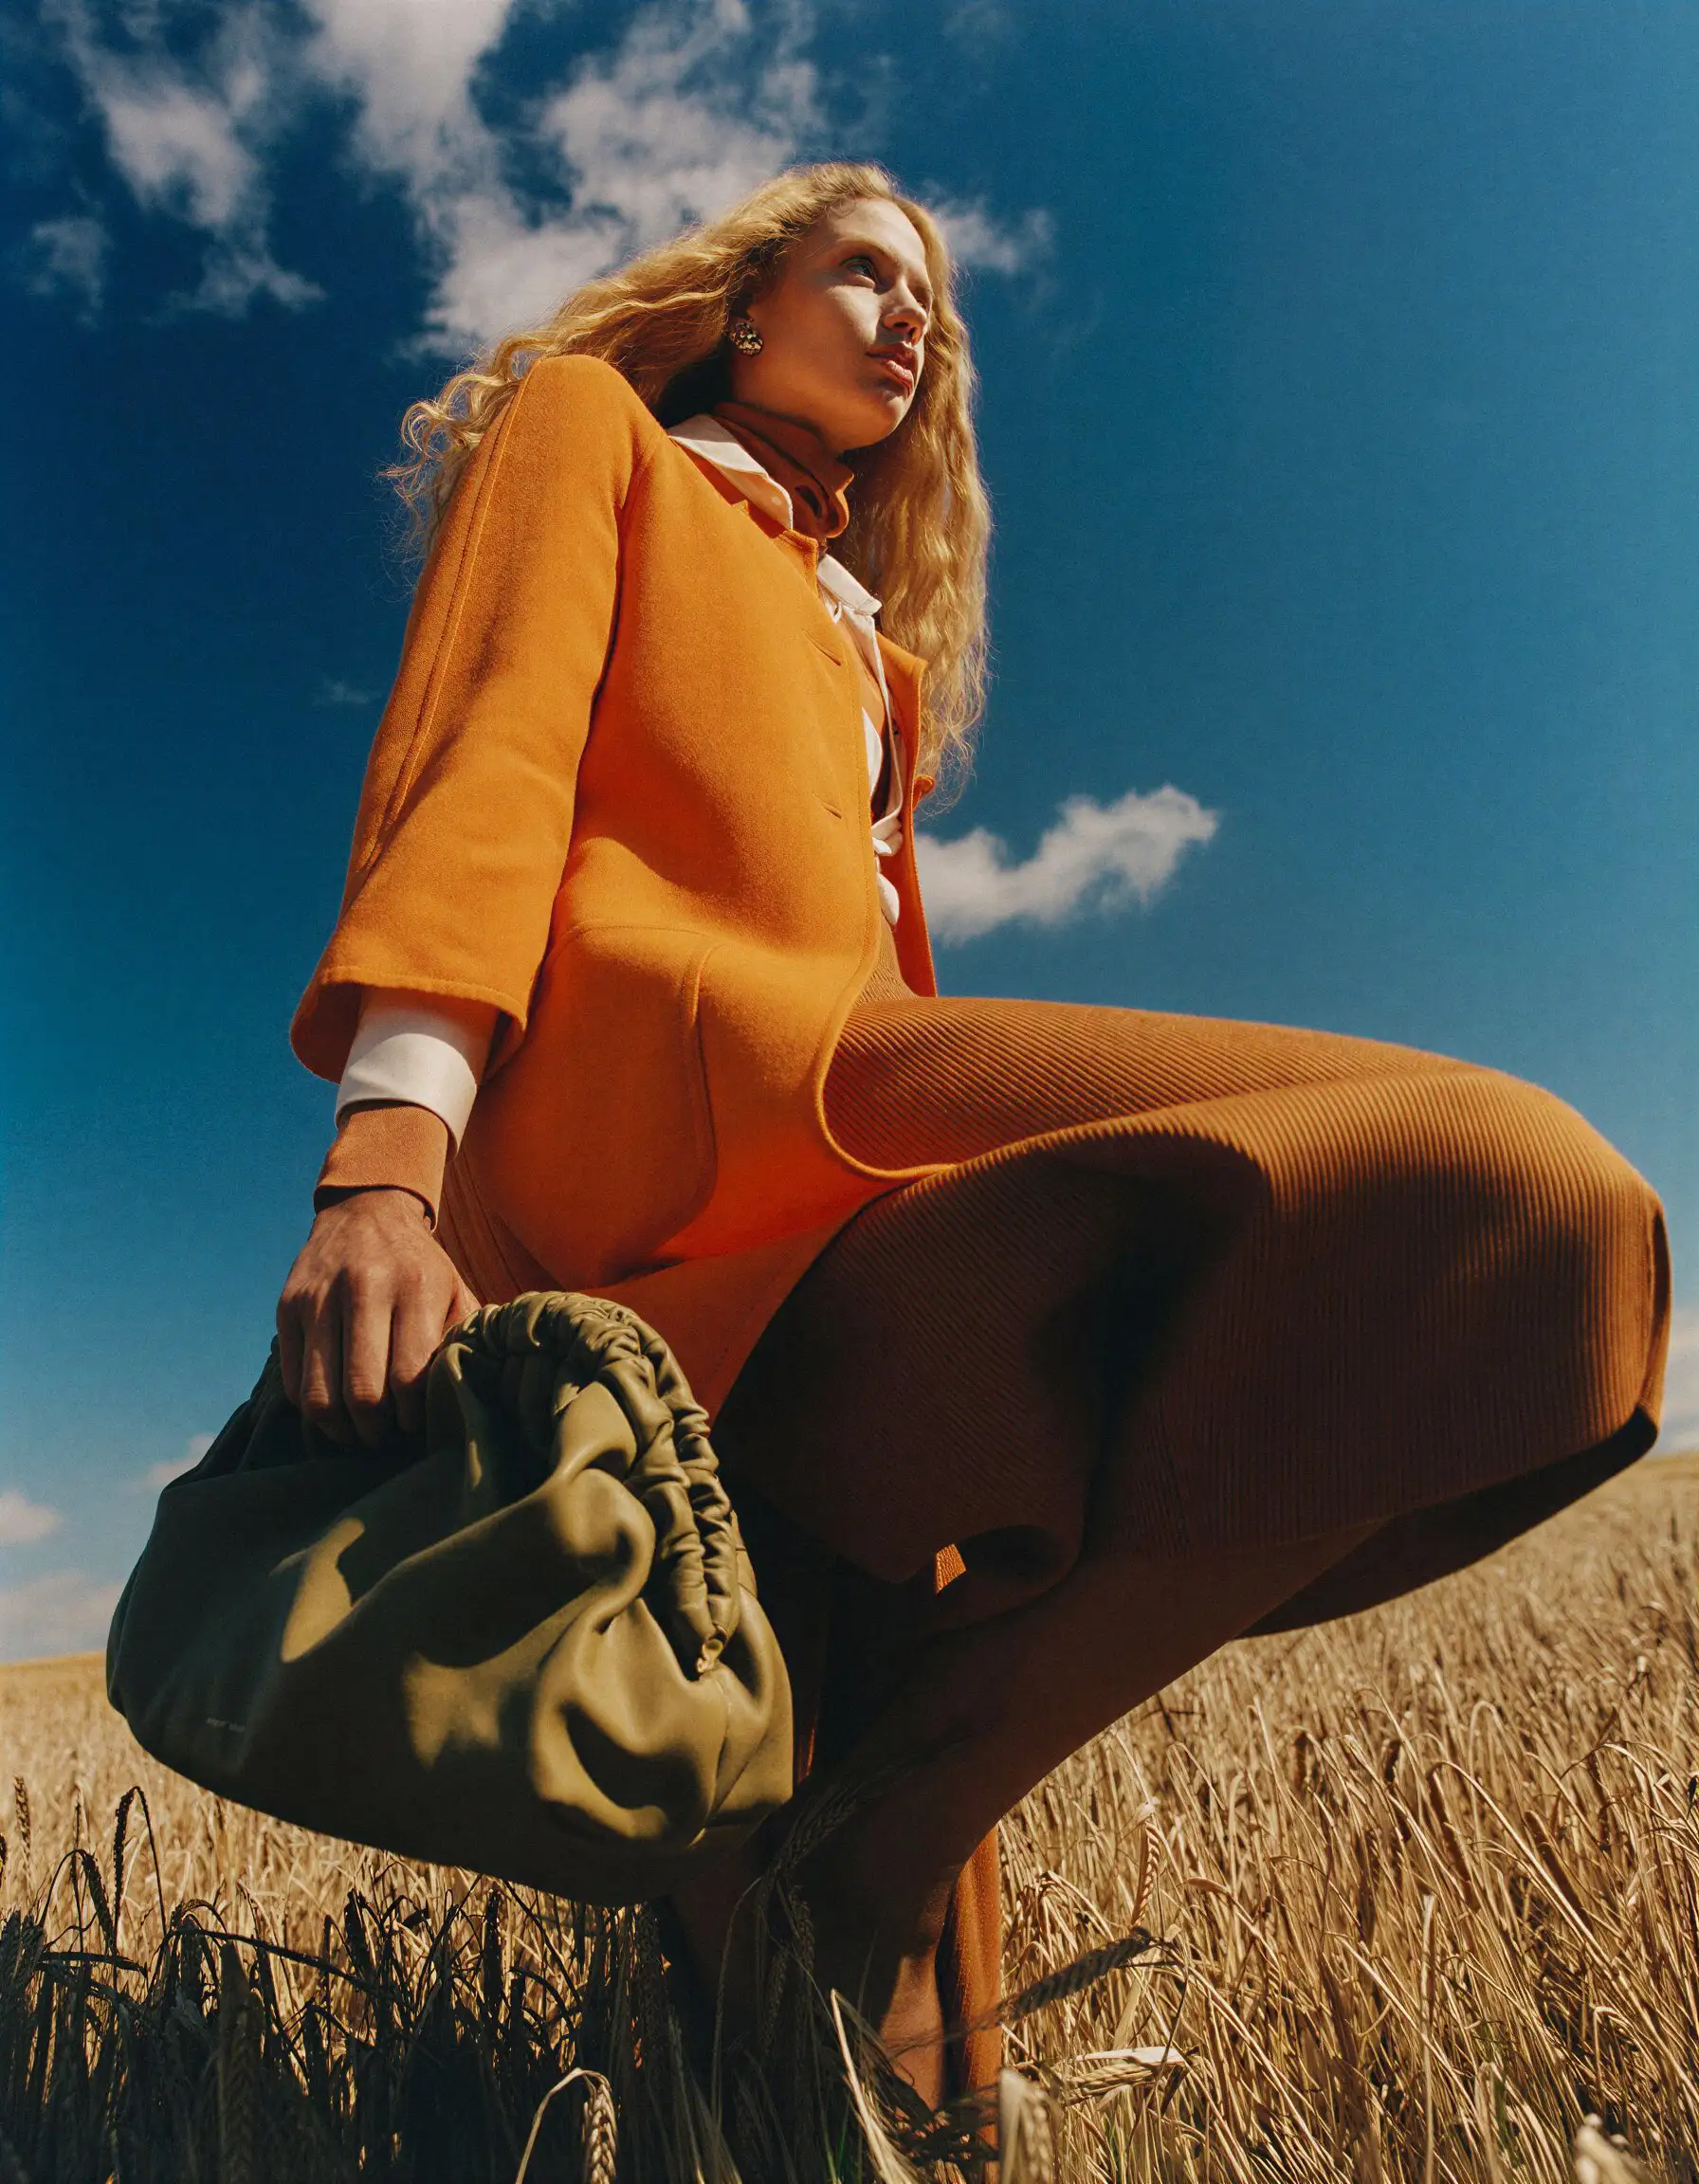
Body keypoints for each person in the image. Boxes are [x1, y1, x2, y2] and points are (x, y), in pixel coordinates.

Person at [277, 160, 1671, 2111]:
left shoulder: (869, 649)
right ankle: (869, 1839)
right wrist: (385, 1162)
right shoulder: (596, 435)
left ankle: (868, 1846)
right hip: (674, 1144)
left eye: (928, 297)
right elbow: (480, 761)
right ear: (735, 306)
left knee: (882, 2029)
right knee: (1500, 1176)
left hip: (861, 1197)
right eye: (858, 273)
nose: (910, 318)